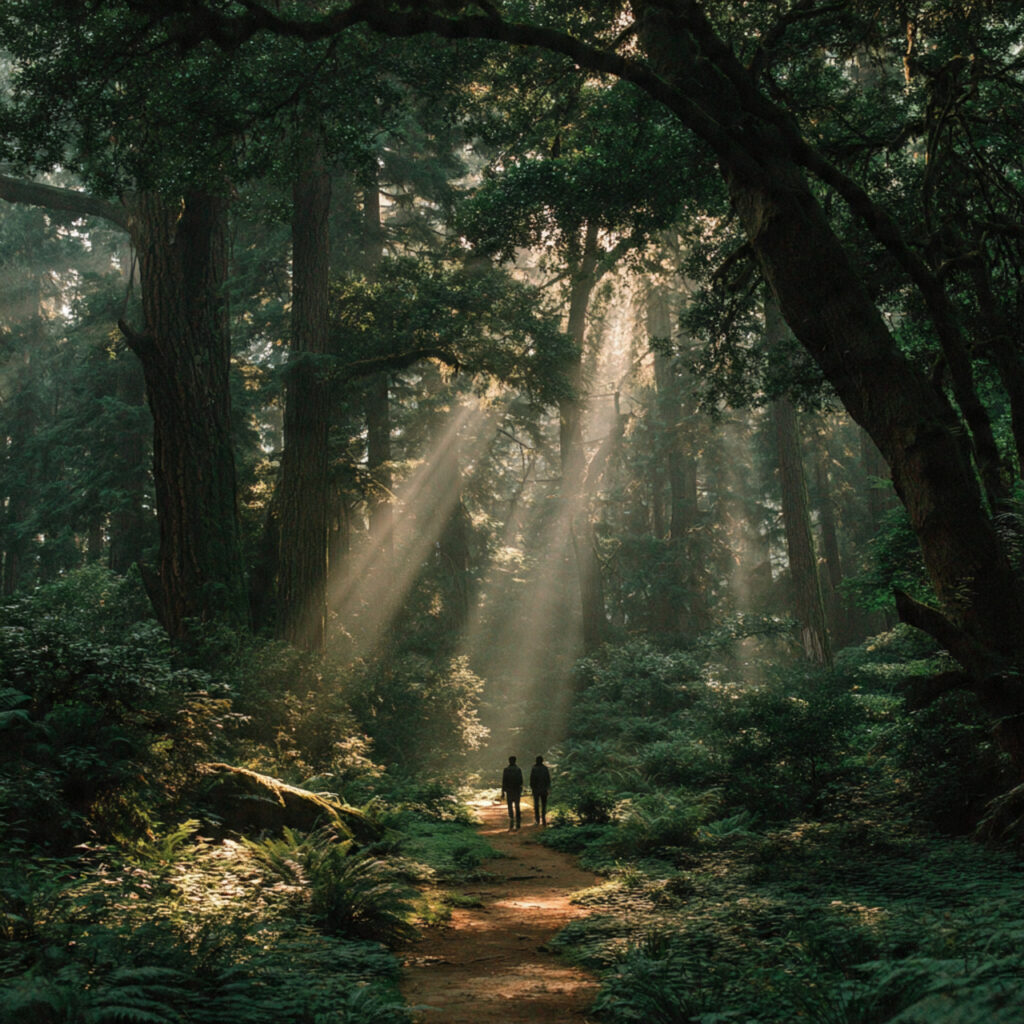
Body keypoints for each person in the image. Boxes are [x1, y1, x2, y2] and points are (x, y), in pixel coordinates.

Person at [500, 755, 523, 831]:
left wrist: (503, 792)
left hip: (509, 791)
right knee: (517, 806)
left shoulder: (506, 770)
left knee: (510, 807)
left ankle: (511, 821)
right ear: (515, 761)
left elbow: (504, 782)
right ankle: (518, 823)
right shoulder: (518, 769)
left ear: (509, 761)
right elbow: (521, 781)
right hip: (516, 791)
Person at [529, 755, 552, 825]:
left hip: (536, 790)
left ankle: (537, 819)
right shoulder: (545, 768)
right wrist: (548, 788)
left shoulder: (534, 768)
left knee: (536, 805)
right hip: (544, 790)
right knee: (543, 804)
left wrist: (532, 788)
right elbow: (548, 780)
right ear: (542, 761)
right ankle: (543, 818)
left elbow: (531, 780)